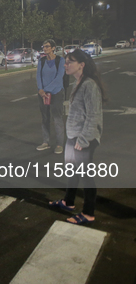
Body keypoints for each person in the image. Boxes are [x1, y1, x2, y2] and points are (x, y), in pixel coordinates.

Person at [49, 49, 105, 225]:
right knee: (72, 171)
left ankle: (88, 213)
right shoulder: (78, 83)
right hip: (74, 136)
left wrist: (83, 140)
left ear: (81, 65)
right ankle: (68, 201)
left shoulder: (89, 85)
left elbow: (93, 116)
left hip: (83, 138)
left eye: (69, 62)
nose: (65, 65)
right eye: (65, 62)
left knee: (86, 175)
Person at [36, 39, 66, 154]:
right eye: (43, 46)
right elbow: (38, 76)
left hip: (56, 93)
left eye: (47, 46)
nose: (45, 48)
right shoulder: (41, 61)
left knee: (57, 119)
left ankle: (59, 144)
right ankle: (45, 142)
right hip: (43, 94)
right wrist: (40, 90)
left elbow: (59, 78)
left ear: (53, 48)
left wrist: (46, 90)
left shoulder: (60, 60)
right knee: (45, 118)